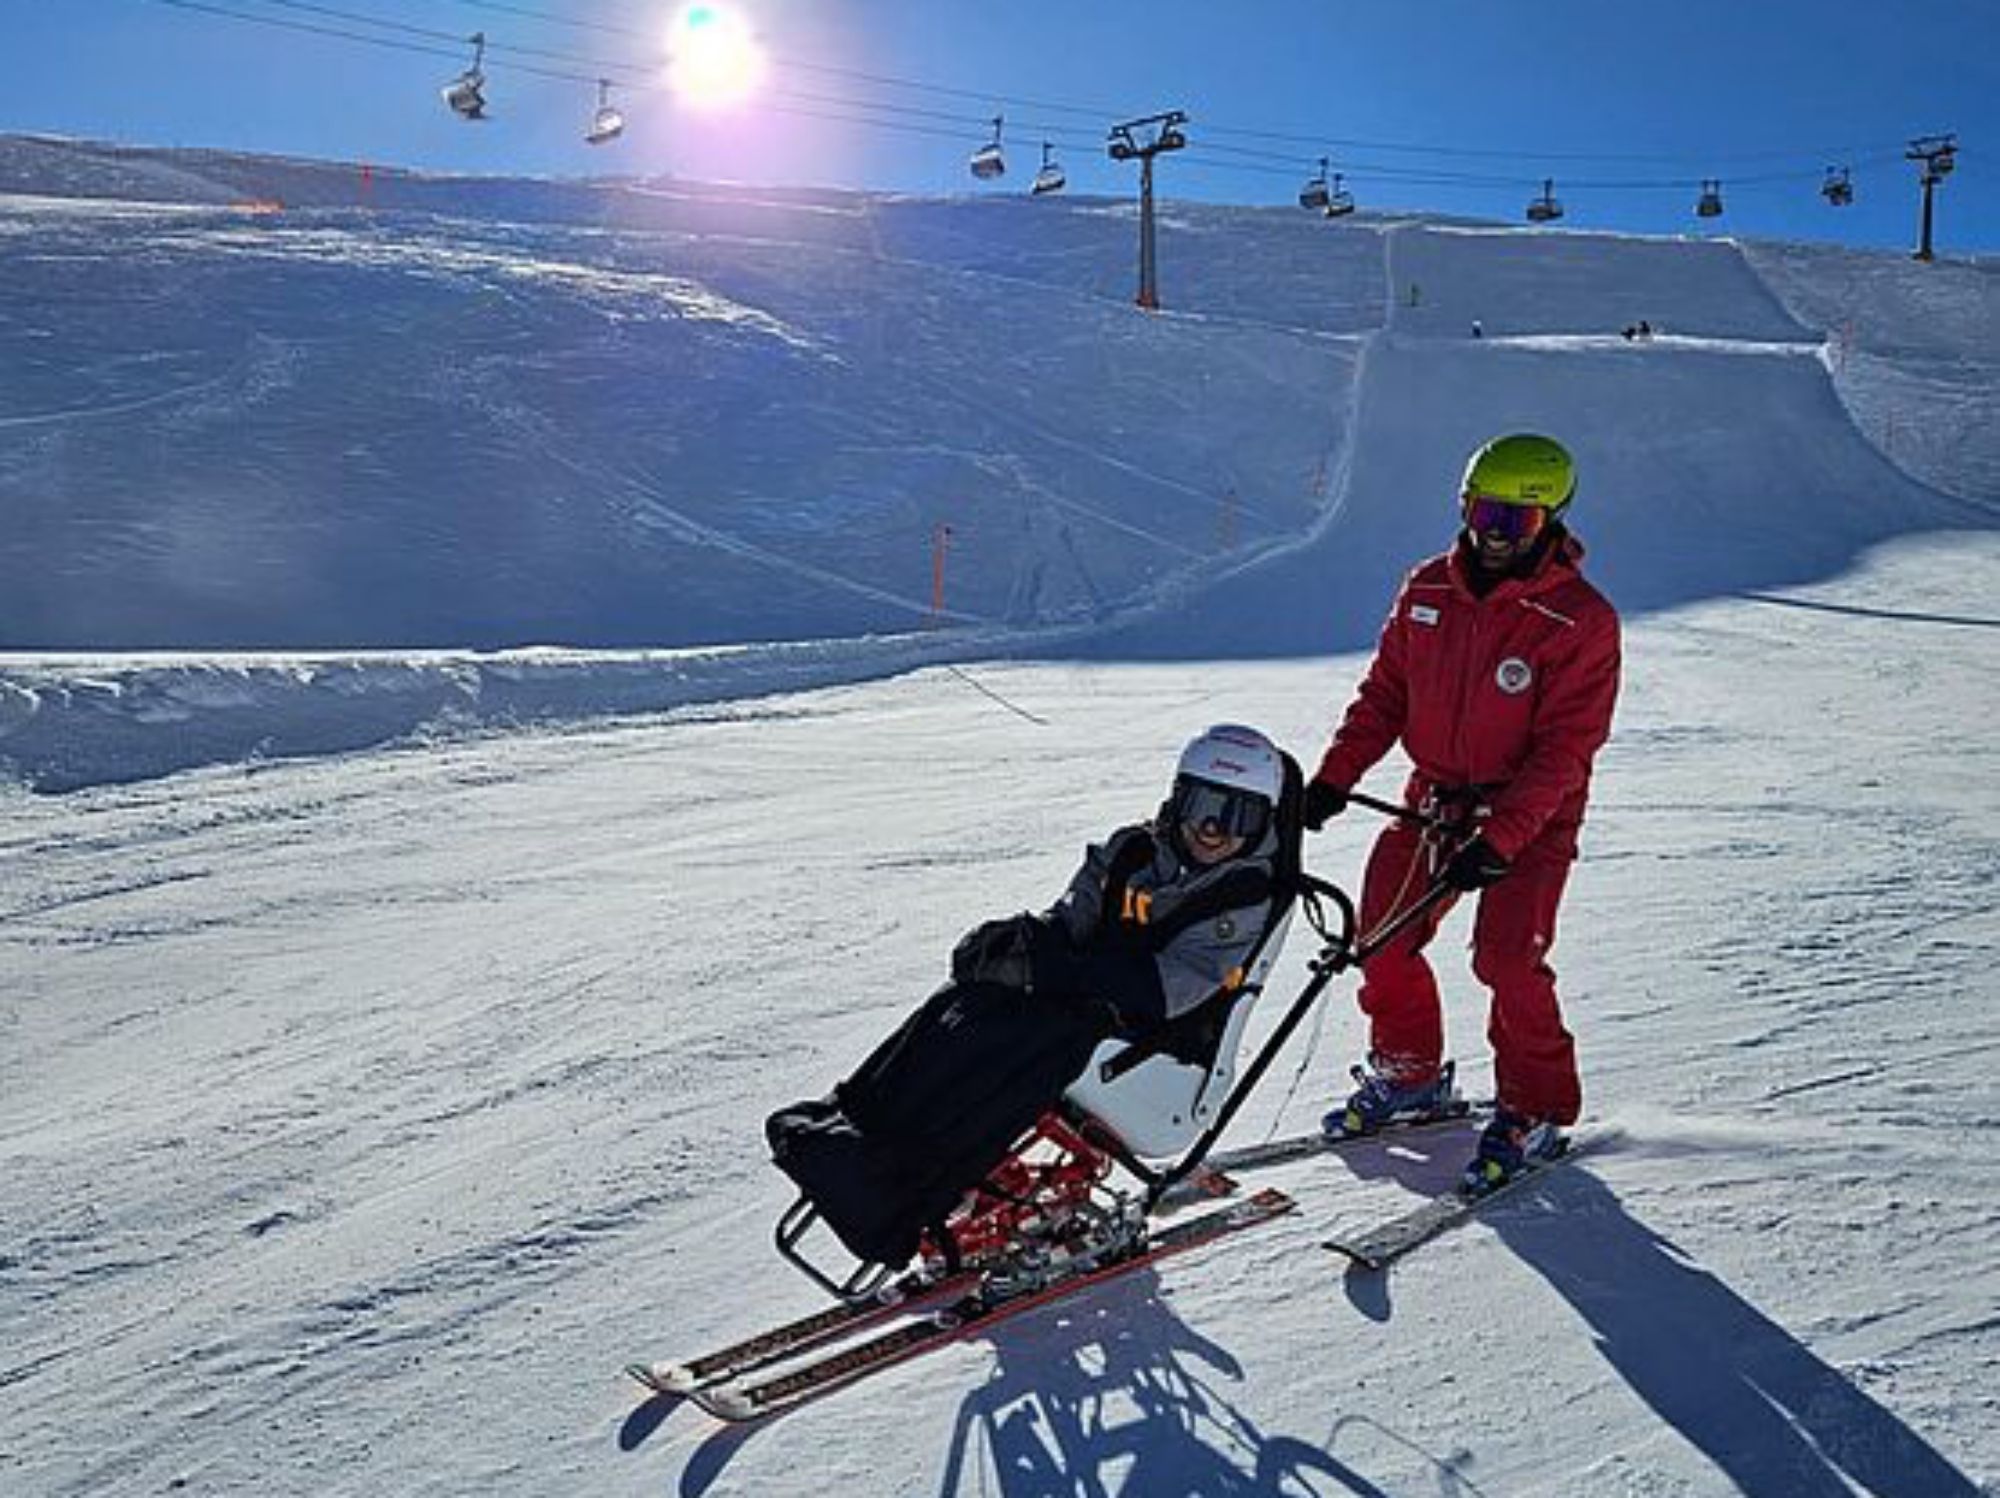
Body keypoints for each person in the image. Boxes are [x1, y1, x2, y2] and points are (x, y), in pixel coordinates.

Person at [767, 724, 1295, 1271]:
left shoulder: (1244, 895)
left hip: (1160, 1047)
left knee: (1020, 1038)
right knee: (969, 1001)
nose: (1213, 829)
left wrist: (1052, 968)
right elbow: (1071, 922)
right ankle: (853, 1128)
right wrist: (1014, 944)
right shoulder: (1132, 850)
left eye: (1238, 816)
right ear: (1177, 797)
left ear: (1264, 823)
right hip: (1090, 1007)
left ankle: (910, 1189)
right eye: (1202, 806)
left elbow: (1169, 988)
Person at [1301, 433, 1621, 1194]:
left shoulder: (1579, 620)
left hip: (1532, 814)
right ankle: (1410, 1073)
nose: (1494, 533)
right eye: (1483, 512)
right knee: (1380, 940)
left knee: (1506, 961)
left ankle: (1535, 1106)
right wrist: (1334, 779)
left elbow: (1565, 751)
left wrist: (1503, 837)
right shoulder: (1428, 589)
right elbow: (1385, 694)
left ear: (1551, 520)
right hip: (1435, 797)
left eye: (1516, 520)